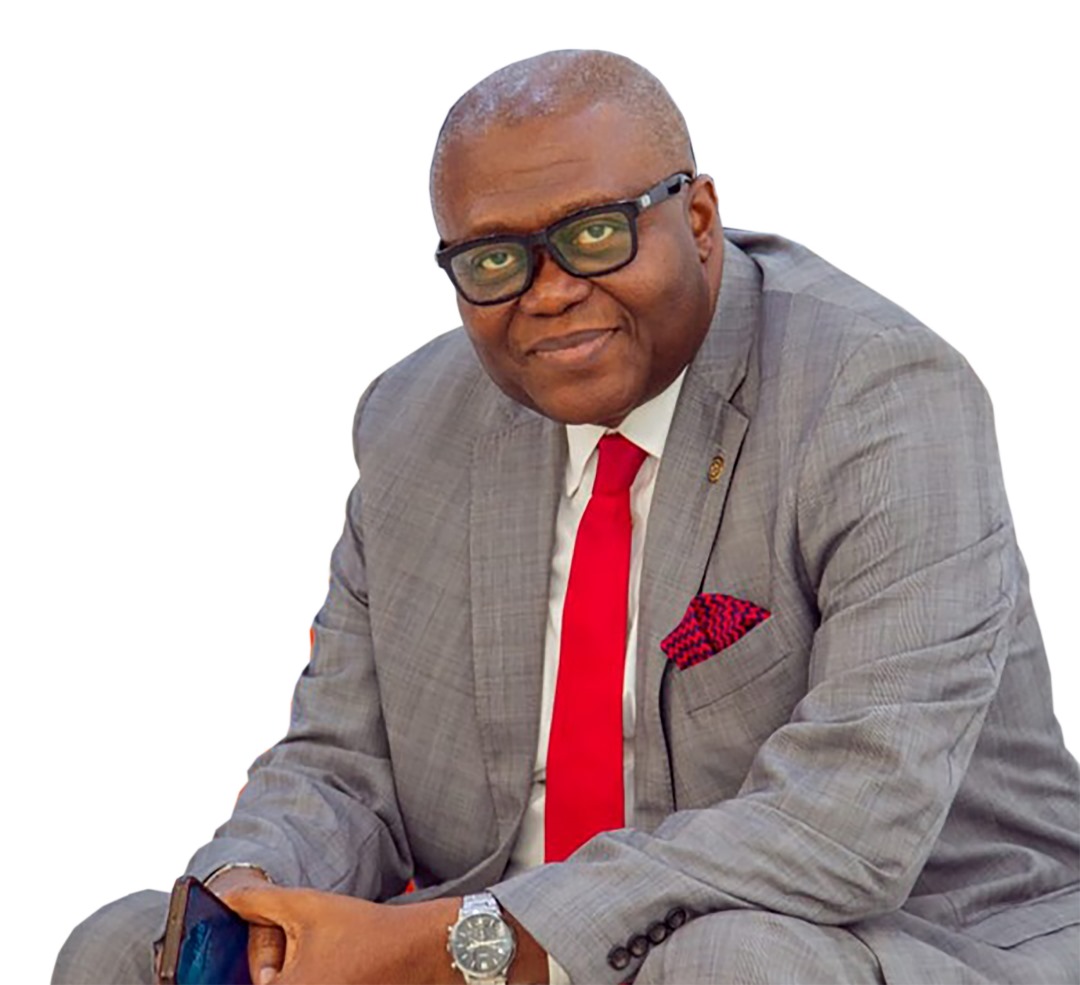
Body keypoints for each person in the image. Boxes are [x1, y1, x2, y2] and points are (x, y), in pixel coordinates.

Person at [54, 49, 1079, 985]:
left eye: (595, 235)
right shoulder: (412, 423)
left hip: (887, 928)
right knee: (124, 947)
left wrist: (456, 946)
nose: (547, 293)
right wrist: (250, 900)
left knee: (732, 966)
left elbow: (848, 821)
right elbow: (343, 768)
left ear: (700, 219)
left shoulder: (880, 397)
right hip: (488, 932)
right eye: (495, 261)